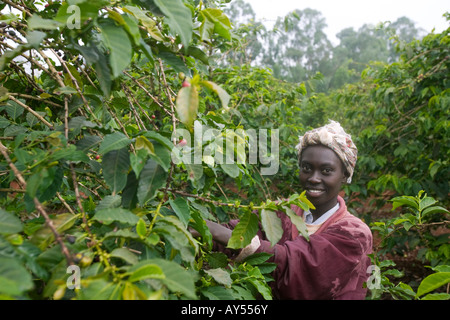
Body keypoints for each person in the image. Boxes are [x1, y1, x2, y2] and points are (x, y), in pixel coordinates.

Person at [197, 120, 373, 300]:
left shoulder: (354, 234)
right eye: (306, 168)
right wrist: (197, 232)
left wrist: (220, 233)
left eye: (326, 170)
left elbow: (301, 269)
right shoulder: (282, 211)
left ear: (345, 175)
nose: (313, 178)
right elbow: (237, 231)